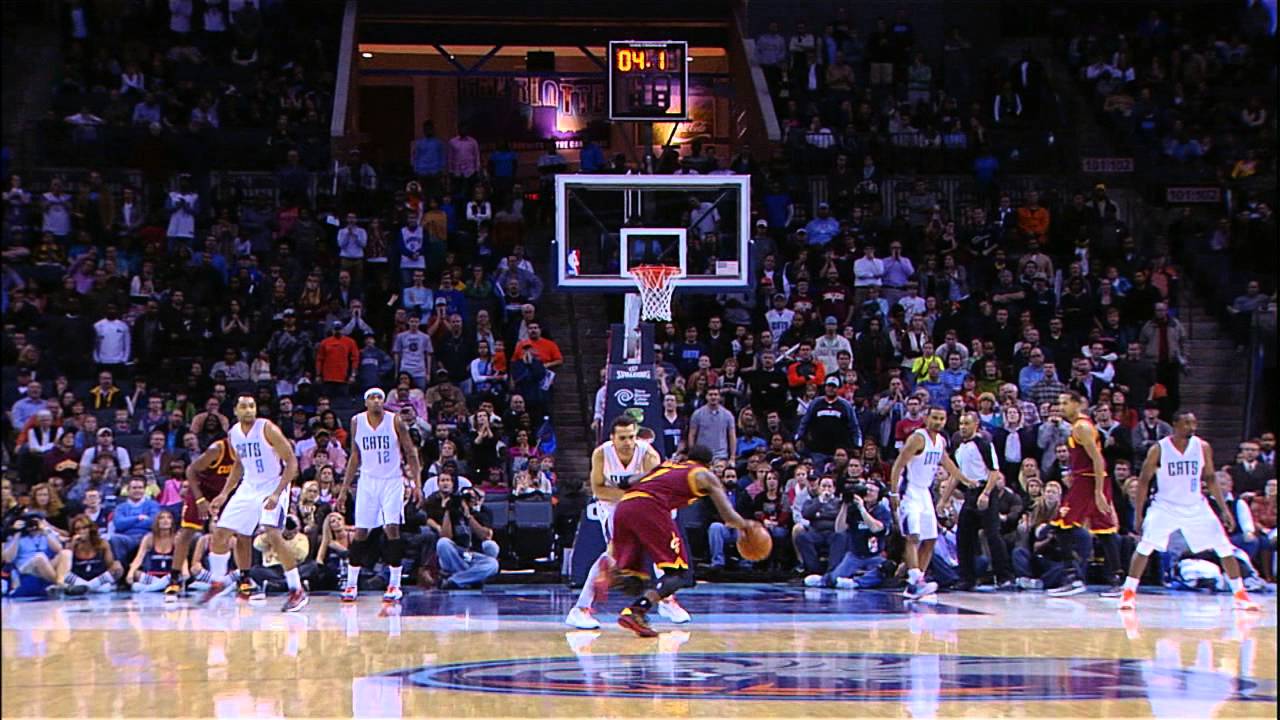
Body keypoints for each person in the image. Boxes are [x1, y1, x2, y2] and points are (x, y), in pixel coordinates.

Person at [604, 445, 759, 637]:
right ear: (709, 464)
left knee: (635, 579)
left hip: (624, 506)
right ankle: (636, 611)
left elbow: (627, 482)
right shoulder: (704, 474)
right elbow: (728, 517)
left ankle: (613, 574)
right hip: (650, 506)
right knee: (679, 573)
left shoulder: (668, 466)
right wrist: (748, 526)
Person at [1118, 412, 1259, 612]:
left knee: (1224, 548)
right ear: (1175, 425)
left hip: (1196, 506)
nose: (1192, 427)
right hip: (1165, 506)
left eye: (1194, 423)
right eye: (1187, 423)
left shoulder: (1202, 447)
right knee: (1145, 546)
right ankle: (1128, 592)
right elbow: (1143, 481)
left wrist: (1224, 510)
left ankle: (1240, 594)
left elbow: (1210, 478)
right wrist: (1139, 514)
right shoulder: (1159, 449)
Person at [197, 395, 307, 612]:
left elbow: (291, 461)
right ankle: (218, 582)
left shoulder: (267, 429)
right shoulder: (234, 433)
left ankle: (297, 590)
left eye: (252, 406)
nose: (248, 410)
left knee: (272, 533)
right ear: (235, 411)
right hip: (249, 485)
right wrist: (224, 493)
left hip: (274, 484)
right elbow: (239, 464)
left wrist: (277, 493)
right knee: (220, 533)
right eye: (244, 406)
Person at [564, 416, 671, 630]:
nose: (627, 442)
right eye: (622, 438)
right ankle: (580, 609)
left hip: (641, 505)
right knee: (612, 554)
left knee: (659, 546)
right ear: (612, 438)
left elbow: (655, 489)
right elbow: (598, 490)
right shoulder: (601, 454)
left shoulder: (648, 454)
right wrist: (630, 496)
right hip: (611, 505)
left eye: (631, 437)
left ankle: (667, 601)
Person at [337, 387, 422, 603]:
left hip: (392, 480)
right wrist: (344, 489)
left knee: (392, 528)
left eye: (379, 398)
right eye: (372, 398)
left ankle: (395, 584)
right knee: (361, 532)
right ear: (366, 402)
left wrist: (417, 484)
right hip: (367, 481)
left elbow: (410, 452)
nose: (376, 401)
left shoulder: (395, 421)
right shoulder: (357, 422)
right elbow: (355, 455)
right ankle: (351, 584)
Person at [889, 406, 967, 600]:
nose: (938, 422)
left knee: (931, 538)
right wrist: (894, 492)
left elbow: (947, 462)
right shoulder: (917, 438)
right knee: (913, 536)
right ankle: (915, 579)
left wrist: (965, 480)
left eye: (942, 419)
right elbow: (898, 464)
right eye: (935, 418)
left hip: (925, 492)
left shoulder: (940, 441)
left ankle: (916, 584)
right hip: (910, 490)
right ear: (926, 418)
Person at [1047, 390, 1118, 597]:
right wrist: (1073, 472)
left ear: (1078, 404)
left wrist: (1098, 491)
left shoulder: (1082, 427)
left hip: (1089, 482)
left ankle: (1073, 578)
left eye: (1065, 403)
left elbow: (1098, 459)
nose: (1061, 407)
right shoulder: (1077, 426)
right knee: (1103, 529)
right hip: (1084, 479)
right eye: (1060, 403)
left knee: (1062, 525)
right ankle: (1116, 579)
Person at [945, 412, 1014, 590]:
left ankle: (1005, 576)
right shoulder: (959, 446)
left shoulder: (983, 444)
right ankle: (967, 578)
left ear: (976, 424)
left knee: (992, 535)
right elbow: (956, 475)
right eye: (961, 423)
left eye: (966, 423)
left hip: (985, 490)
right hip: (969, 491)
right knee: (963, 536)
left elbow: (994, 471)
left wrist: (986, 493)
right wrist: (944, 499)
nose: (963, 427)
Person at [166, 430, 236, 596]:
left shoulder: (247, 451)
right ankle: (175, 578)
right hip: (201, 491)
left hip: (225, 492)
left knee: (237, 533)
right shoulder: (217, 449)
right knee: (187, 532)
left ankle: (243, 576)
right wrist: (199, 500)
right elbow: (191, 470)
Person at [125, 511, 178, 593]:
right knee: (136, 573)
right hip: (152, 576)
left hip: (170, 575)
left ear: (172, 522)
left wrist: (185, 571)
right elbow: (139, 558)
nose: (165, 520)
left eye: (169, 518)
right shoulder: (149, 538)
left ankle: (149, 588)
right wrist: (130, 572)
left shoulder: (177, 539)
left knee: (178, 575)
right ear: (157, 522)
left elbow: (182, 559)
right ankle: (162, 586)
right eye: (162, 518)